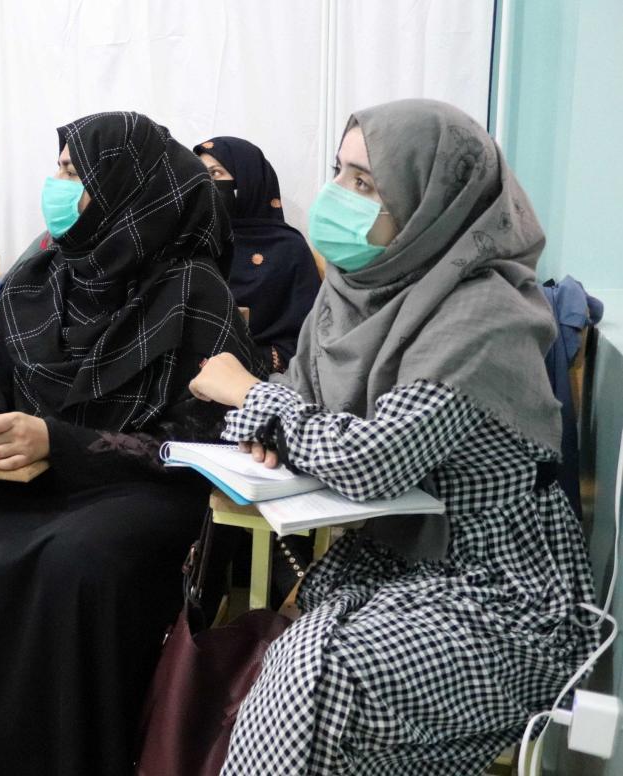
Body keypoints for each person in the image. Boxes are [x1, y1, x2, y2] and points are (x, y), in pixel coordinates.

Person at [188, 99, 599, 774]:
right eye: (337, 172)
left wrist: (249, 394)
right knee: (304, 673)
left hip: (502, 595)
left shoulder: (485, 313)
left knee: (316, 676)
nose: (336, 196)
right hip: (389, 563)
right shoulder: (354, 287)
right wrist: (275, 421)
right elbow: (299, 395)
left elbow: (370, 461)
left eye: (365, 184)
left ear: (431, 202)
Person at [0, 111, 264, 776]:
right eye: (59, 168)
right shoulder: (40, 276)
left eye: (73, 173)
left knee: (80, 559)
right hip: (33, 470)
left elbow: (196, 441)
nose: (55, 186)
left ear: (124, 187)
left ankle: (78, 753)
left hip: (141, 485)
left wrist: (60, 440)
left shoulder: (193, 290)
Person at [193, 136, 321, 372]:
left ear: (248, 180)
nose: (204, 183)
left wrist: (246, 361)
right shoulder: (194, 243)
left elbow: (310, 338)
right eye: (199, 174)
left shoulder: (288, 249)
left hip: (261, 388)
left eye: (215, 174)